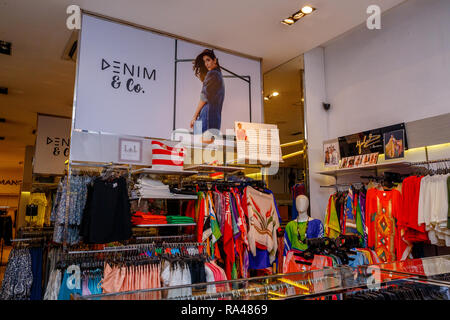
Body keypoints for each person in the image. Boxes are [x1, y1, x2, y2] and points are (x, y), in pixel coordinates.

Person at [190, 49, 225, 136]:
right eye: (204, 61)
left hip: (207, 117)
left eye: (208, 60)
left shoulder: (212, 74)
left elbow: (204, 97)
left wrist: (194, 116)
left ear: (215, 60)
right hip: (215, 120)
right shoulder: (219, 76)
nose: (206, 64)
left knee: (200, 146)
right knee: (208, 147)